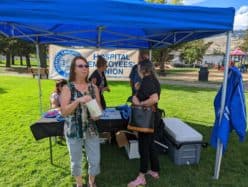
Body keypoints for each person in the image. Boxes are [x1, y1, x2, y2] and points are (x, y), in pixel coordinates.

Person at [60, 56, 102, 187]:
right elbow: (64, 112)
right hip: (73, 129)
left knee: (95, 160)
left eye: (86, 66)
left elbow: (99, 112)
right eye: (81, 66)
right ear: (74, 69)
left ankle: (91, 181)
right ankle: (79, 184)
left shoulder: (93, 88)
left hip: (91, 128)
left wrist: (94, 109)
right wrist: (78, 101)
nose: (85, 68)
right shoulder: (67, 88)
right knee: (76, 160)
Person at [128, 60, 161, 187]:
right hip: (152, 118)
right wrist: (138, 89)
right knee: (150, 145)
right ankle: (154, 170)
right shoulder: (153, 79)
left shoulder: (147, 80)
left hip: (146, 120)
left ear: (142, 69)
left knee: (143, 147)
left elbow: (154, 98)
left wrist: (139, 103)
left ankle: (141, 176)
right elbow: (150, 94)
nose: (137, 70)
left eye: (138, 68)